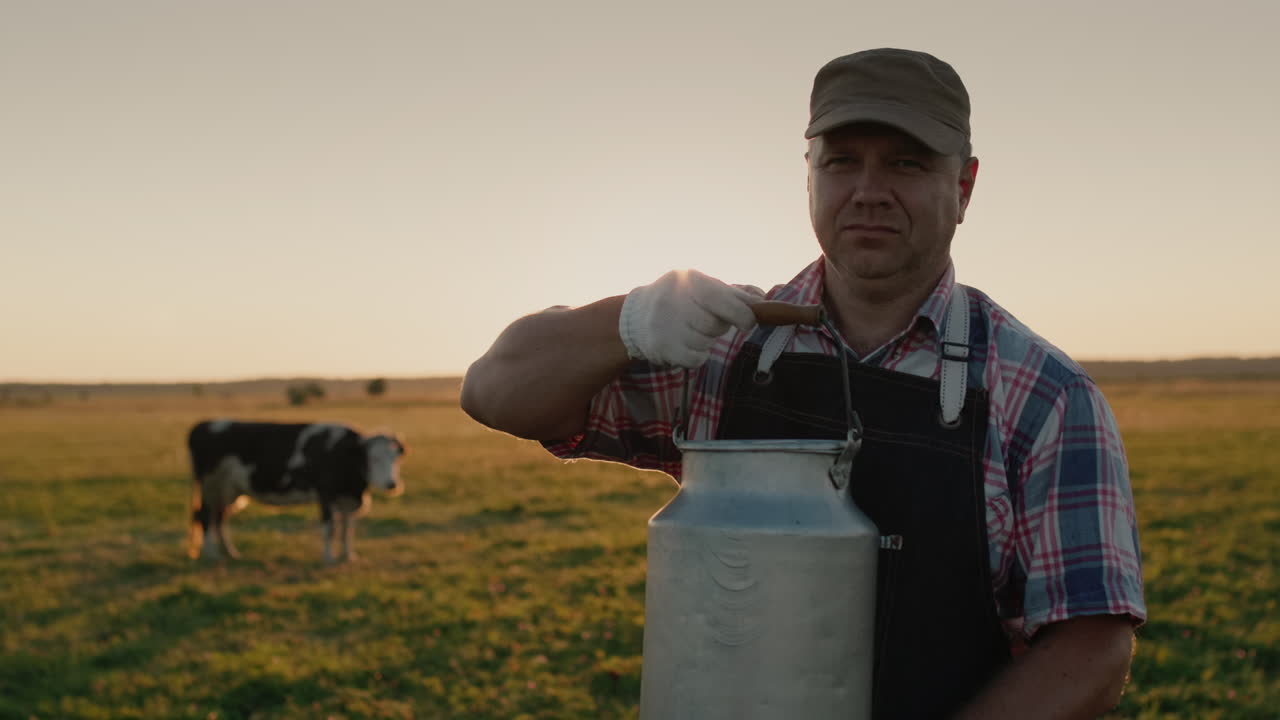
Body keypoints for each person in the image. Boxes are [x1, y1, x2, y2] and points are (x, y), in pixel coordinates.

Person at [462, 48, 1146, 719]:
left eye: (907, 163)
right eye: (842, 160)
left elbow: (1094, 647)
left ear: (963, 187)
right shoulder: (720, 347)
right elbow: (495, 393)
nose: (869, 191)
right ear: (809, 176)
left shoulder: (1043, 396)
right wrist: (632, 319)